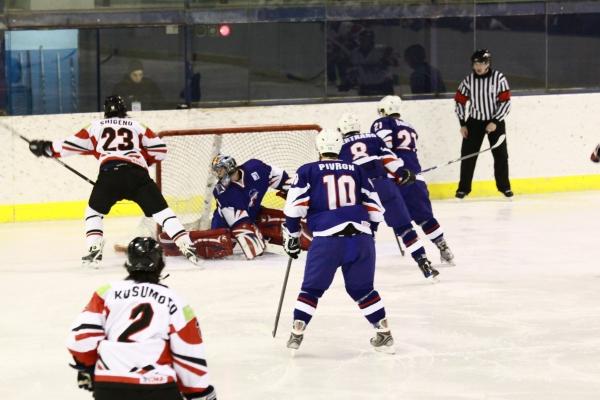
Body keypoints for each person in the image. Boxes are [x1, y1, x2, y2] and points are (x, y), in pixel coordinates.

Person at [28, 95, 199, 268]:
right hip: (138, 175)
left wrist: (46, 148)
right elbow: (160, 150)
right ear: (124, 110)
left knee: (93, 213)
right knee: (162, 212)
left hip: (110, 175)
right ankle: (186, 245)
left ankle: (94, 249)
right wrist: (143, 161)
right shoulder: (136, 125)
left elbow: (69, 146)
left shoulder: (95, 126)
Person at [282, 128, 395, 354]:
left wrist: (292, 236)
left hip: (327, 240)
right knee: (363, 290)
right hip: (361, 238)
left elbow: (294, 209)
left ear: (319, 149)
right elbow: (376, 210)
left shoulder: (308, 170)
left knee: (311, 290)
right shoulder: (357, 170)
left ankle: (297, 332)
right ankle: (384, 333)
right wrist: (370, 233)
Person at [66, 237, 216, 400]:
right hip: (157, 387)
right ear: (160, 264)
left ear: (128, 264)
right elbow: (188, 350)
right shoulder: (175, 300)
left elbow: (80, 339)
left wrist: (89, 367)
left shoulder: (106, 292)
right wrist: (198, 391)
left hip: (110, 385)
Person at [337, 112, 440, 279]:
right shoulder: (373, 138)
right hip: (384, 186)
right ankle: (423, 262)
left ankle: (361, 269)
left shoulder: (340, 147)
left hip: (363, 192)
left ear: (341, 130)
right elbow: (390, 160)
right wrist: (402, 173)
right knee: (404, 228)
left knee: (365, 232)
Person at [371, 95, 455, 265]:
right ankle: (443, 246)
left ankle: (421, 258)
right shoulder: (409, 126)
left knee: (401, 222)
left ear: (384, 110)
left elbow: (383, 148)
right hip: (416, 177)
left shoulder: (382, 123)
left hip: (395, 179)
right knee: (425, 217)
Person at [454, 49, 512, 198]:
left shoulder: (499, 78)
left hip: (495, 122)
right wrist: (463, 123)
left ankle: (504, 187)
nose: (478, 66)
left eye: (481, 63)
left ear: (488, 64)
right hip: (474, 122)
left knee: (501, 155)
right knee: (467, 156)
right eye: (475, 64)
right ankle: (463, 188)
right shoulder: (468, 80)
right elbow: (459, 101)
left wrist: (495, 121)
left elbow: (505, 102)